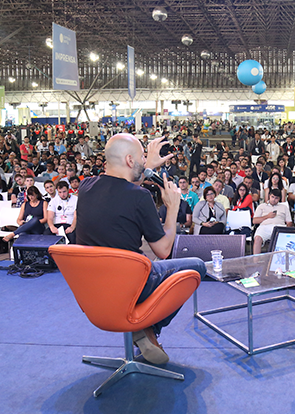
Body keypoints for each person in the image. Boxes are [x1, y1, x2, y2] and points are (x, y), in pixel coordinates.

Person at [76, 134, 206, 365]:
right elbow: (163, 250)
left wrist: (147, 166)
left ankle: (144, 331)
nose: (144, 162)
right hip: (131, 286)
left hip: (93, 291)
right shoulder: (140, 197)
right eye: (141, 157)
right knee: (196, 266)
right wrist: (172, 208)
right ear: (129, 160)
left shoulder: (85, 187)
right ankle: (148, 327)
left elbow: (119, 189)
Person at [252, 189, 292, 254]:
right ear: (269, 196)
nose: (274, 199)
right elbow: (254, 221)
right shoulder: (261, 206)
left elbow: (289, 222)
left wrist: (287, 230)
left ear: (279, 199)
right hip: (264, 227)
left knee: (283, 239)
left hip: (279, 227)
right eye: (272, 197)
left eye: (276, 198)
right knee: (257, 238)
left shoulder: (284, 207)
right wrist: (267, 216)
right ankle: (256, 261)